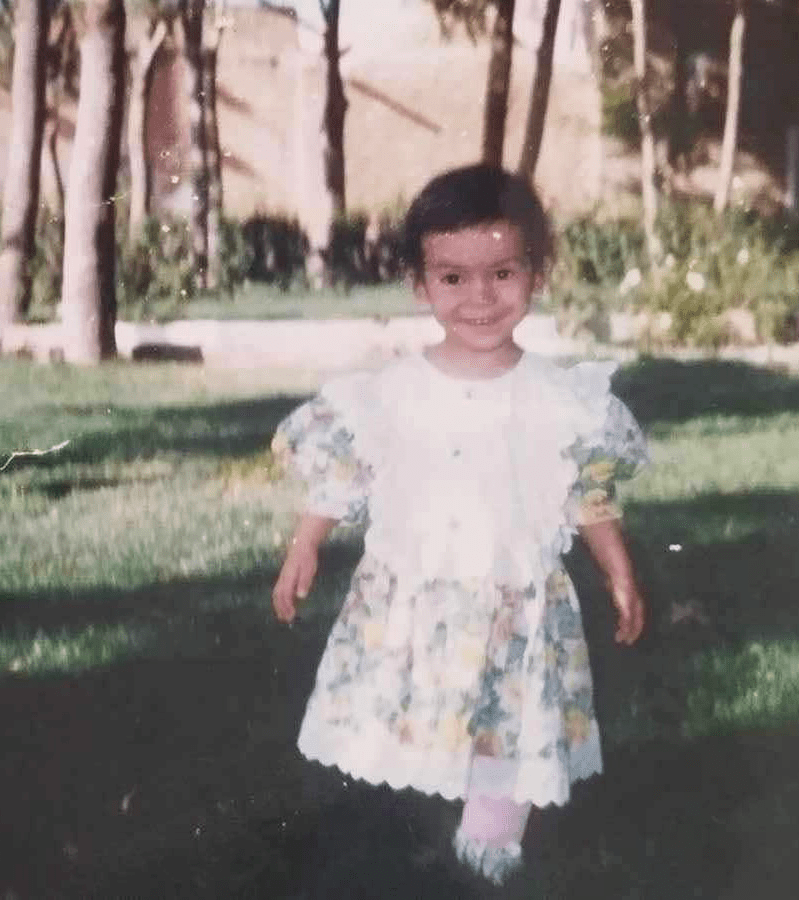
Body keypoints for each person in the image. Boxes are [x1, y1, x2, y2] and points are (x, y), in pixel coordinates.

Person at [271, 163, 648, 885]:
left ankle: (489, 853)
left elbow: (589, 493)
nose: (480, 297)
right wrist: (306, 545)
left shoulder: (562, 399)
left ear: (536, 273)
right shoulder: (391, 392)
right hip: (414, 598)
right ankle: (396, 840)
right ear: (420, 284)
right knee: (410, 716)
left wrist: (619, 571)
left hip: (516, 603)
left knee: (508, 725)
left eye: (502, 274)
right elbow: (343, 473)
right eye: (453, 278)